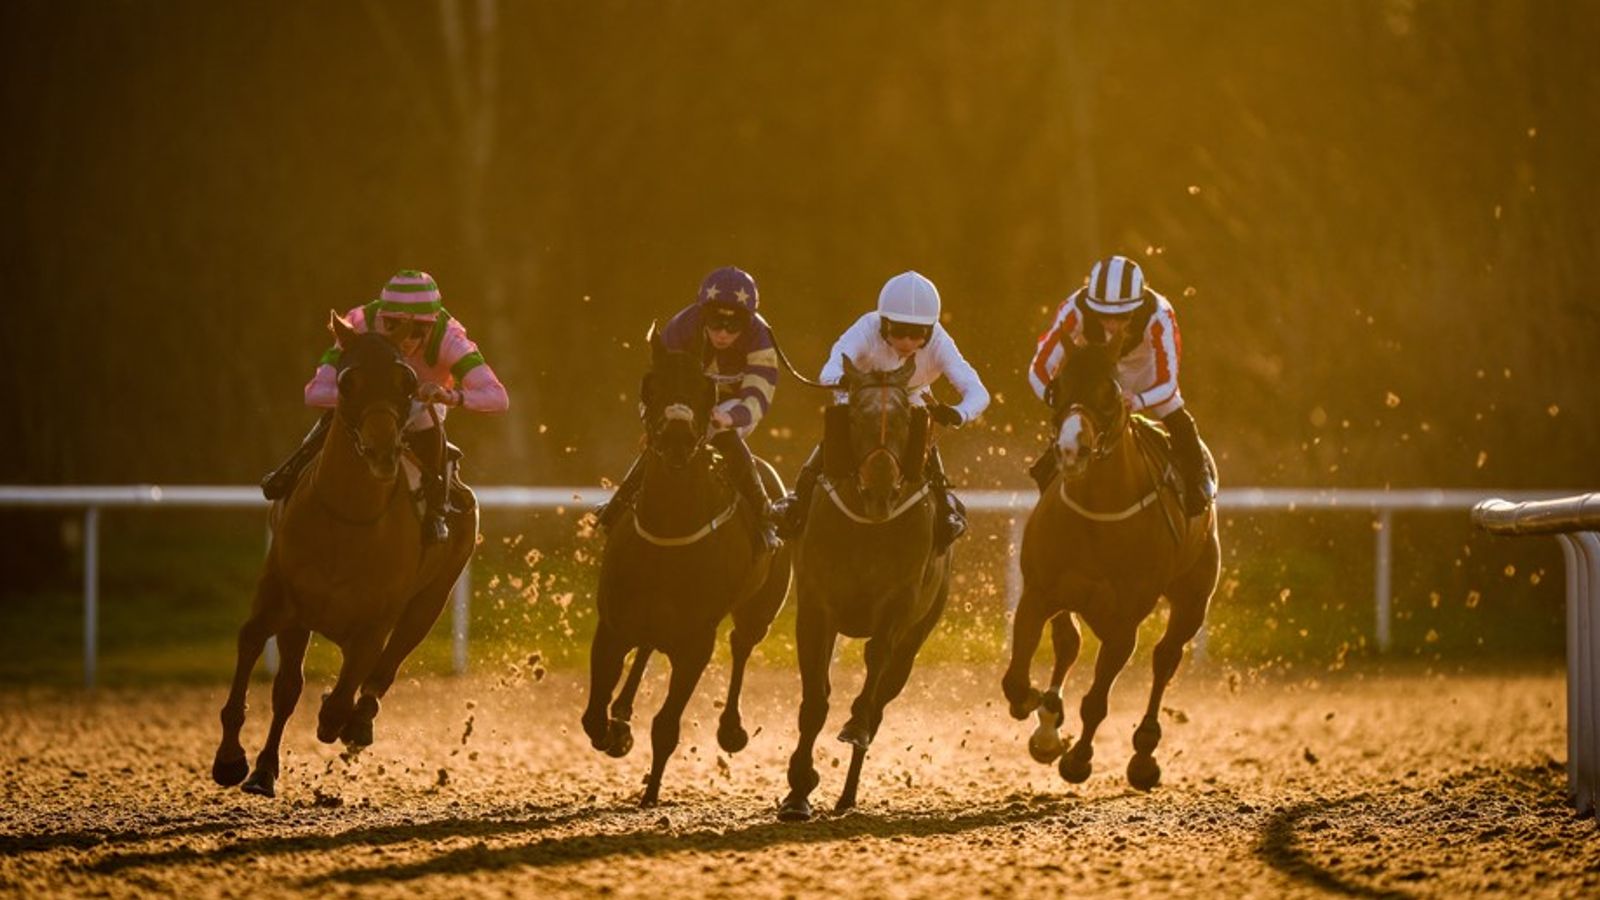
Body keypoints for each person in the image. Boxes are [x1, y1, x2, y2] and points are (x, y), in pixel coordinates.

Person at [260, 270, 509, 543]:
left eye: (418, 329)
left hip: (421, 403)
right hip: (368, 404)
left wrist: (448, 396)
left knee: (427, 420)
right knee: (331, 422)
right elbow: (315, 393)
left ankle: (437, 507)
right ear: (381, 317)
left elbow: (498, 397)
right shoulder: (359, 324)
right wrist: (361, 396)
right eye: (393, 325)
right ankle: (291, 472)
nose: (407, 337)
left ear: (435, 323)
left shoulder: (451, 339)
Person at [775, 271, 989, 550]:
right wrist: (843, 381)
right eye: (899, 331)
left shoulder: (940, 341)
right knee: (835, 434)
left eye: (918, 335)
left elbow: (978, 393)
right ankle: (799, 500)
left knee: (924, 439)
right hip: (864, 396)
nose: (908, 342)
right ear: (883, 323)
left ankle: (946, 509)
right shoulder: (866, 327)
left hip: (910, 400)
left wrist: (958, 413)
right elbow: (830, 369)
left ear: (931, 330)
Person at [594, 266, 782, 554]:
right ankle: (616, 508)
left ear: (748, 322)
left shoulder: (760, 338)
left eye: (733, 327)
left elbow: (757, 397)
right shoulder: (681, 328)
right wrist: (655, 423)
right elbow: (657, 388)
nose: (722, 334)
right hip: (690, 401)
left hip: (734, 404)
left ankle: (763, 515)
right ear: (703, 315)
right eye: (715, 324)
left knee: (724, 436)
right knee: (663, 439)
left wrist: (729, 418)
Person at [1026, 254, 1214, 515]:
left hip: (1147, 372)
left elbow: (1168, 383)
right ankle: (1047, 474)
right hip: (1099, 373)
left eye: (1122, 316)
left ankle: (1198, 479)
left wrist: (1138, 400)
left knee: (1174, 413)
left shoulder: (1160, 314)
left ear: (1138, 306)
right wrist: (1055, 397)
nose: (1112, 323)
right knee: (1073, 417)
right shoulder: (1073, 309)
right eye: (1104, 315)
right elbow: (1039, 368)